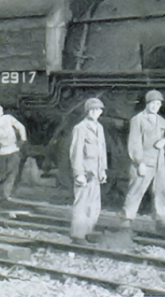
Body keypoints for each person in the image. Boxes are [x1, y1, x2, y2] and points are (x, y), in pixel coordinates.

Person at [121, 90, 165, 234]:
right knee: (136, 191)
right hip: (144, 162)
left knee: (160, 192)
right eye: (153, 103)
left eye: (158, 104)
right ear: (147, 104)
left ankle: (161, 222)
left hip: (159, 164)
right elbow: (134, 143)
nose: (155, 106)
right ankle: (126, 223)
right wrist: (139, 162)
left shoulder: (161, 121)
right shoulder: (138, 120)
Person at [69, 97, 107, 244]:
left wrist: (103, 170)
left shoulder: (100, 128)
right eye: (92, 110)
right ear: (87, 112)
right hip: (85, 172)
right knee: (82, 203)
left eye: (98, 110)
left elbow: (102, 151)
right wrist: (78, 173)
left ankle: (88, 231)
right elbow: (75, 152)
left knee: (94, 205)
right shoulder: (80, 128)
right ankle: (78, 235)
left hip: (96, 173)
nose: (95, 112)